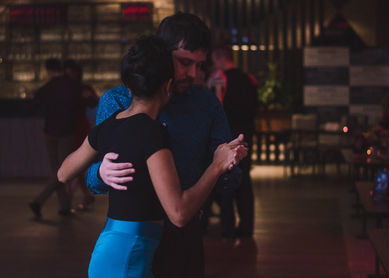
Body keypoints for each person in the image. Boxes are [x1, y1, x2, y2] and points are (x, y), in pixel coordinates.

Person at [58, 35, 246, 278]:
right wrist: (217, 166)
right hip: (128, 259)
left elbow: (63, 173)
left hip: (110, 252)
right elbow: (178, 214)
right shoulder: (153, 132)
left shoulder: (109, 126)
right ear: (167, 85)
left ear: (128, 85)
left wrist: (100, 168)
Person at [210, 45, 259, 238]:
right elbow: (255, 108)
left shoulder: (221, 79)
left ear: (220, 58)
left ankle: (228, 228)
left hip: (229, 137)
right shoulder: (250, 79)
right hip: (246, 136)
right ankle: (247, 227)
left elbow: (218, 109)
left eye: (214, 61)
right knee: (245, 182)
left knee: (227, 182)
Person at [29, 58, 81, 218]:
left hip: (49, 132)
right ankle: (41, 202)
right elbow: (80, 106)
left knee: (56, 172)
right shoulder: (71, 85)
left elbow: (33, 104)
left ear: (49, 70)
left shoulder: (48, 87)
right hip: (66, 132)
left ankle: (62, 206)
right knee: (61, 173)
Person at [63, 59, 98, 210]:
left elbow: (94, 101)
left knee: (78, 164)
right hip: (73, 128)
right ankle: (85, 195)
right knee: (78, 164)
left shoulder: (77, 88)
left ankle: (77, 197)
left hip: (77, 128)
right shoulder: (77, 88)